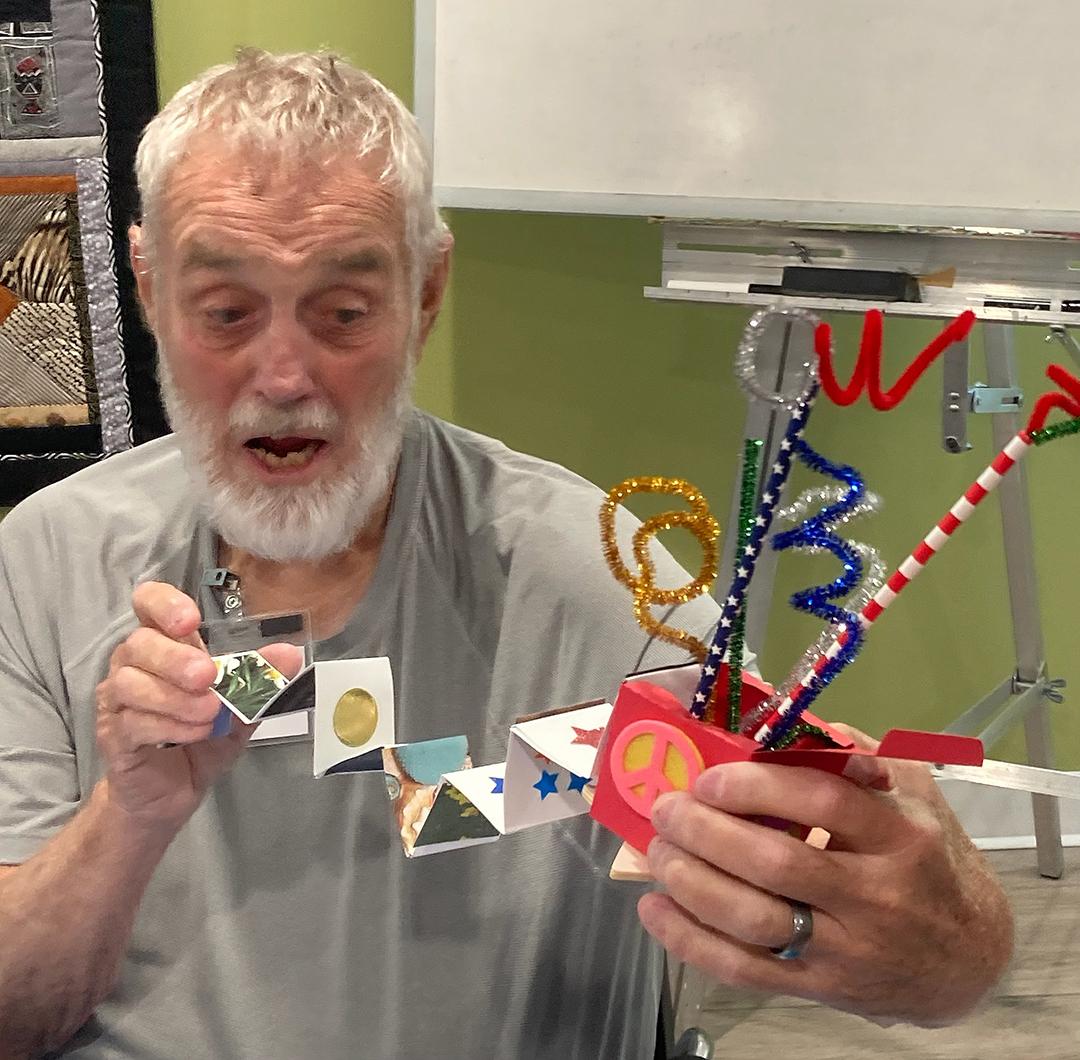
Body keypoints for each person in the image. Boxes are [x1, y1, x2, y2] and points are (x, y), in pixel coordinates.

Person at [0, 50, 1012, 1059]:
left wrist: (932, 935)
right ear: (148, 286)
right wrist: (126, 820)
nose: (283, 376)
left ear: (427, 290)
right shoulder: (45, 562)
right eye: (226, 311)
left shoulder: (607, 588)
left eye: (343, 313)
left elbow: (920, 948)